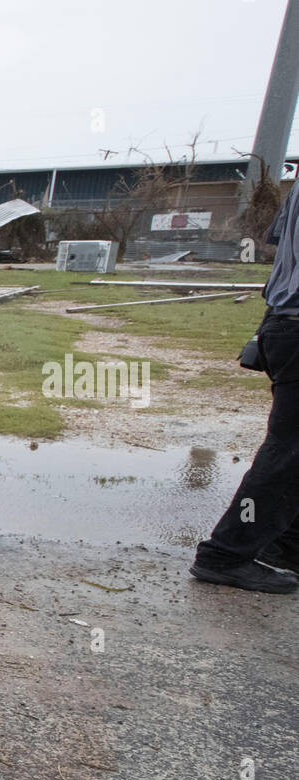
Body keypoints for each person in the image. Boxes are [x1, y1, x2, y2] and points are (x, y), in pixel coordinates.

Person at [191, 183, 299, 593]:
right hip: (293, 323)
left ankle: (283, 546)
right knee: (289, 453)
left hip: (284, 322)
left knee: (291, 452)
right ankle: (226, 554)